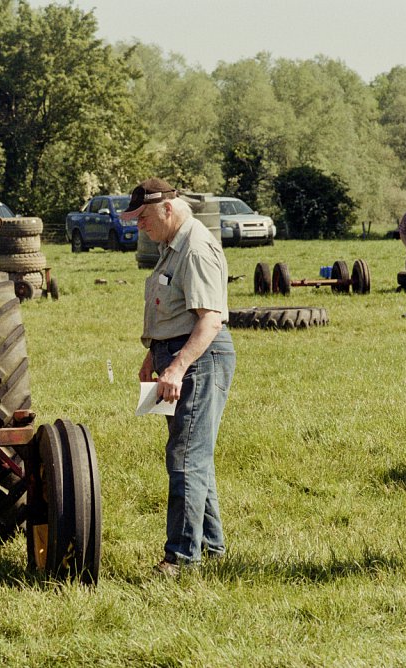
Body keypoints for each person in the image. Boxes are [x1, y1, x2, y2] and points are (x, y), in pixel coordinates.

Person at [121, 178, 236, 575]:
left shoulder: (196, 248)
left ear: (168, 208)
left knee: (186, 456)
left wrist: (177, 365)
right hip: (176, 355)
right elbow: (172, 309)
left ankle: (181, 559)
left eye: (144, 218)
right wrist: (154, 354)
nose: (140, 227)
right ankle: (211, 548)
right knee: (192, 455)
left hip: (199, 358)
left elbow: (211, 321)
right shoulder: (172, 245)